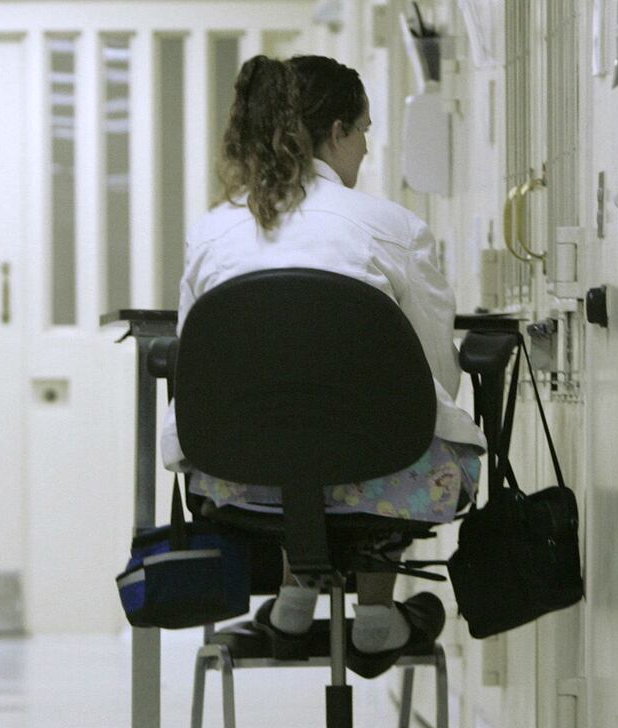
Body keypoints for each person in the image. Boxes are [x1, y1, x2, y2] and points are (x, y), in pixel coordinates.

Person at [160, 54, 487, 676]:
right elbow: (432, 373)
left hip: (235, 480)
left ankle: (295, 593)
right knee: (380, 428)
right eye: (363, 129)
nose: (365, 148)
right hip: (391, 478)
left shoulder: (212, 232)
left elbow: (197, 367)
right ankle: (374, 616)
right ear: (336, 131)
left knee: (292, 419)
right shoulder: (392, 228)